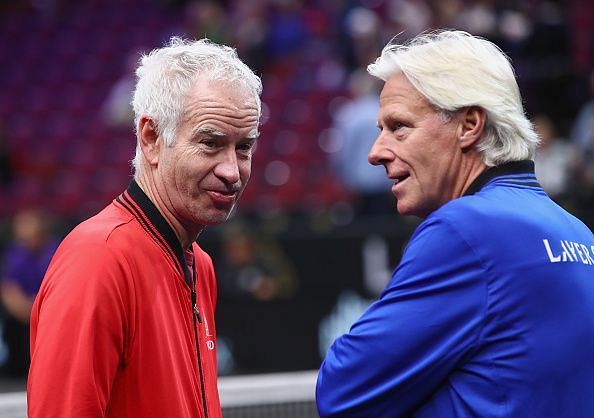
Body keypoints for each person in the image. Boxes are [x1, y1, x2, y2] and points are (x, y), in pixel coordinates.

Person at [316, 30, 594, 418]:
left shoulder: (464, 229)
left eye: (399, 127)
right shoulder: (579, 233)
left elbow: (342, 391)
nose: (376, 152)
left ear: (469, 125)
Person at [27, 37, 262, 418]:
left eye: (243, 147)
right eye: (210, 143)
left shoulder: (199, 265)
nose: (232, 171)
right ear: (151, 138)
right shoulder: (97, 259)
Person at [0, 209, 58, 377]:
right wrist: (30, 312)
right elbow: (9, 291)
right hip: (24, 316)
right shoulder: (15, 253)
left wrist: (41, 312)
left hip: (50, 313)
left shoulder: (56, 249)